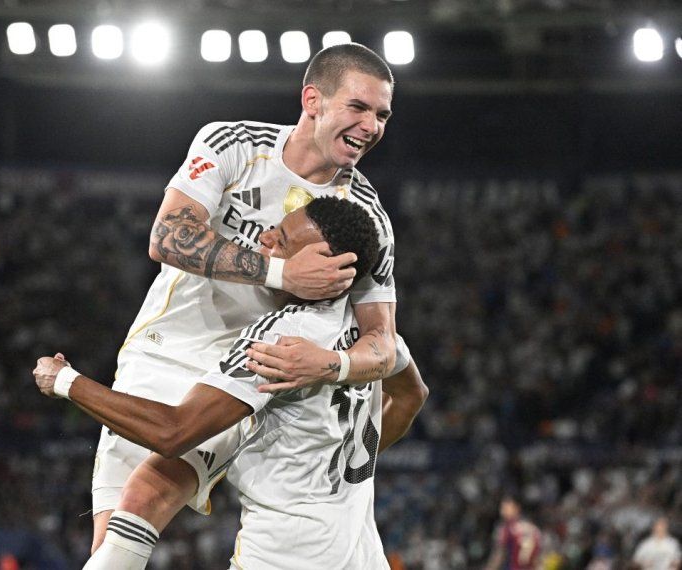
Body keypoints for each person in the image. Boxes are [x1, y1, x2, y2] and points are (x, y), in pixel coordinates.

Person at [85, 42, 403, 554]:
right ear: (313, 100)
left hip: (244, 379)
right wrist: (282, 273)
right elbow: (165, 237)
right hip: (163, 350)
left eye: (382, 114)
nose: (372, 126)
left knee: (148, 494)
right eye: (359, 107)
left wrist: (332, 363)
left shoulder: (364, 217)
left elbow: (383, 345)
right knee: (111, 540)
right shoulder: (232, 144)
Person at [35, 197, 428, 568]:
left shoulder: (279, 339)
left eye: (282, 240)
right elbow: (412, 394)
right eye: (274, 228)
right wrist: (351, 459)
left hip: (283, 558)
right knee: (149, 487)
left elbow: (173, 432)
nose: (264, 239)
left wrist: (66, 381)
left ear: (325, 264)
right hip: (363, 556)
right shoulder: (371, 339)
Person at [485, 497, 542, 570]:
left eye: (506, 508)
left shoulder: (507, 528)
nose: (502, 512)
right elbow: (538, 558)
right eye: (502, 508)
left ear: (516, 508)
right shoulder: (533, 528)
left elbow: (499, 554)